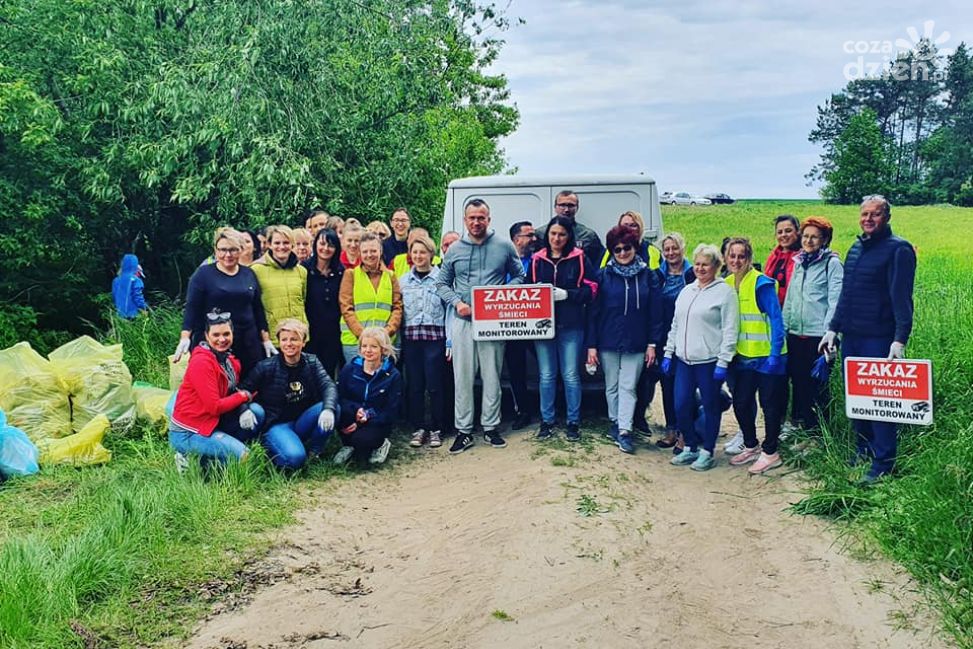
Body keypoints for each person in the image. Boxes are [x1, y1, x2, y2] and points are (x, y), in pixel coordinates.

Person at [820, 195, 916, 483]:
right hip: (853, 337)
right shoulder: (856, 248)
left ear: (886, 217)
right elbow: (846, 295)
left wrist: (899, 339)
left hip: (879, 338)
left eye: (875, 214)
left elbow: (902, 299)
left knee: (879, 400)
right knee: (858, 398)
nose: (868, 219)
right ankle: (864, 448)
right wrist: (832, 329)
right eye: (865, 214)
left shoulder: (898, 250)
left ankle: (884, 461)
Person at [435, 198, 526, 453]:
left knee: (492, 376)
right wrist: (456, 303)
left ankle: (490, 427)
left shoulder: (504, 246)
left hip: (493, 323)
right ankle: (464, 431)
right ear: (465, 220)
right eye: (472, 218)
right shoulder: (454, 250)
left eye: (481, 217)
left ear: (489, 219)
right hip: (463, 321)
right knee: (462, 377)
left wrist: (502, 296)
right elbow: (441, 284)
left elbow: (520, 275)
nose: (476, 222)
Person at [661, 244, 738, 471]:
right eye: (697, 264)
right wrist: (668, 353)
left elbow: (730, 329)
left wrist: (724, 361)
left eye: (706, 264)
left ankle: (707, 452)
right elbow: (676, 324)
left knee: (711, 406)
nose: (700, 268)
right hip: (684, 360)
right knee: (681, 404)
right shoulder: (687, 291)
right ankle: (690, 446)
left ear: (716, 266)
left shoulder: (725, 293)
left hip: (709, 361)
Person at [586, 225, 662, 453]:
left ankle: (625, 431)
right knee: (612, 385)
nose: (622, 253)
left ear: (635, 247)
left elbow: (655, 313)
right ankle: (615, 421)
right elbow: (593, 313)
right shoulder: (603, 276)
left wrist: (652, 343)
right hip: (608, 339)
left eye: (626, 248)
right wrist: (591, 345)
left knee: (628, 386)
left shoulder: (648, 275)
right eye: (616, 249)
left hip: (637, 341)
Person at [529, 216, 598, 441]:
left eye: (562, 234)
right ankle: (547, 421)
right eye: (553, 234)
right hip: (542, 327)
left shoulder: (579, 258)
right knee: (546, 375)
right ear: (547, 235)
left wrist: (568, 294)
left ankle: (573, 422)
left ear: (569, 237)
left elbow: (593, 289)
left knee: (570, 375)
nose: (556, 238)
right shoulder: (537, 259)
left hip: (572, 325)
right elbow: (526, 290)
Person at [723, 238, 788, 474]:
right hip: (743, 358)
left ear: (749, 258)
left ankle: (771, 452)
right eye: (732, 256)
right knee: (741, 402)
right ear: (726, 258)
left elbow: (776, 319)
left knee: (770, 406)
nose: (736, 260)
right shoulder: (727, 284)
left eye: (741, 256)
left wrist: (774, 355)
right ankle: (751, 445)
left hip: (769, 358)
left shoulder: (760, 283)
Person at [240, 319, 338, 470]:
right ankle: (270, 447)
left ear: (303, 342)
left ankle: (314, 451)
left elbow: (328, 385)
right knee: (295, 459)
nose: (289, 344)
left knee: (333, 408)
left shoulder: (312, 362)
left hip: (302, 420)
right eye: (284, 339)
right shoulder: (266, 366)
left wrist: (328, 409)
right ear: (279, 342)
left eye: (294, 339)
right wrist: (244, 409)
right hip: (277, 423)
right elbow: (243, 389)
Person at [169, 311, 263, 468]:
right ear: (207, 336)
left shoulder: (229, 360)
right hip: (189, 431)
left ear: (232, 334)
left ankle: (210, 455)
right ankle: (188, 455)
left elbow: (233, 391)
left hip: (212, 423)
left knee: (257, 412)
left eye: (226, 334)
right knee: (245, 457)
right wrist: (244, 396)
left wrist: (245, 400)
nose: (222, 339)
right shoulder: (202, 362)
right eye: (216, 335)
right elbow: (215, 407)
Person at [175, 229, 273, 374]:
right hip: (216, 341)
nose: (228, 255)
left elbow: (257, 308)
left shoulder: (248, 274)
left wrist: (266, 340)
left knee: (252, 384)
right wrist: (185, 337)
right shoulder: (203, 275)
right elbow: (192, 308)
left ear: (241, 250)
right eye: (223, 250)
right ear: (215, 250)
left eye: (233, 250)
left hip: (247, 340)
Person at [782, 216, 843, 429]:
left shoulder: (832, 264)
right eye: (806, 236)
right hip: (796, 333)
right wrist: (784, 327)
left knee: (817, 387)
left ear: (825, 240)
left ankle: (818, 435)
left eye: (814, 237)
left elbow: (836, 300)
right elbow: (791, 297)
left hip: (819, 337)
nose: (808, 241)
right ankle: (801, 427)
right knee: (798, 383)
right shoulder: (799, 262)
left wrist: (831, 333)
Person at [400, 233, 447, 448]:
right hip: (411, 340)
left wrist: (450, 342)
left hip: (435, 339)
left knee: (436, 385)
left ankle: (438, 427)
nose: (419, 256)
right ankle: (418, 427)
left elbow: (449, 311)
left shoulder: (442, 280)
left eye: (423, 252)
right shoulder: (402, 282)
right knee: (415, 385)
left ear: (431, 254)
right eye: (415, 252)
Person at [334, 327, 403, 465]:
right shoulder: (350, 368)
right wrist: (356, 411)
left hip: (376, 420)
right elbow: (340, 397)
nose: (368, 350)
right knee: (339, 411)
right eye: (364, 346)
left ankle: (381, 444)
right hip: (353, 415)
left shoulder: (393, 375)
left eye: (373, 346)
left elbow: (391, 410)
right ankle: (347, 444)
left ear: (383, 349)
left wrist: (368, 415)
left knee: (362, 443)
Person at [653, 233, 696, 450]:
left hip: (689, 337)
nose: (671, 253)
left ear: (682, 248)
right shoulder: (657, 277)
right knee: (667, 384)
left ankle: (685, 432)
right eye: (667, 249)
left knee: (686, 386)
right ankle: (671, 428)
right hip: (664, 338)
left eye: (675, 248)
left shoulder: (693, 274)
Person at [338, 231, 403, 363]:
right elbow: (346, 307)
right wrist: (363, 335)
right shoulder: (351, 275)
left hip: (385, 341)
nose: (369, 255)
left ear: (380, 251)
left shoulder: (390, 276)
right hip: (355, 341)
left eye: (373, 251)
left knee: (384, 381)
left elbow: (397, 307)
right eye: (365, 251)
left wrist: (386, 332)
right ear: (360, 253)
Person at [504, 221, 539, 430]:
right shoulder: (503, 261)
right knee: (516, 370)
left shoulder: (538, 260)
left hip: (538, 325)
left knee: (549, 368)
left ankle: (550, 410)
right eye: (530, 235)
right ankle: (523, 411)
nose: (535, 239)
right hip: (511, 325)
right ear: (517, 239)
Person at [251, 224, 308, 342]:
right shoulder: (256, 269)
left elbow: (303, 299)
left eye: (286, 243)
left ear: (292, 245)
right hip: (273, 338)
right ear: (269, 245)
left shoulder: (301, 271)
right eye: (277, 243)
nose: (281, 247)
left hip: (299, 336)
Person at [304, 228, 345, 379]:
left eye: (331, 245)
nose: (325, 249)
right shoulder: (304, 270)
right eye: (322, 244)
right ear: (315, 245)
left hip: (333, 332)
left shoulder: (342, 272)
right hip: (310, 332)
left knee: (327, 373)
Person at [535, 190, 606, 265]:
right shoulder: (541, 234)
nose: (566, 210)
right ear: (555, 207)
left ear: (577, 208)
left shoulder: (588, 235)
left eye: (570, 205)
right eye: (562, 205)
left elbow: (599, 261)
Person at [765, 214, 801, 305]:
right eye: (780, 232)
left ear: (798, 232)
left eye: (788, 231)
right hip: (774, 308)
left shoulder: (803, 257)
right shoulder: (773, 256)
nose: (784, 235)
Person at [112, 253, 148, 318]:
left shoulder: (116, 280)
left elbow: (114, 297)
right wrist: (144, 308)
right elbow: (138, 296)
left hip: (120, 315)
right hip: (134, 315)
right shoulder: (136, 280)